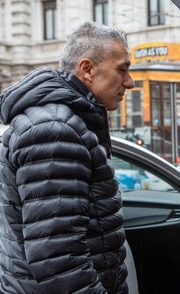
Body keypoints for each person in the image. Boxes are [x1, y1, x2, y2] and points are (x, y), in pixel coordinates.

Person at [0, 21, 134, 293]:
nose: (129, 82)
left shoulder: (63, 122)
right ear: (87, 69)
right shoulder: (55, 130)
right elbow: (58, 261)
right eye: (122, 69)